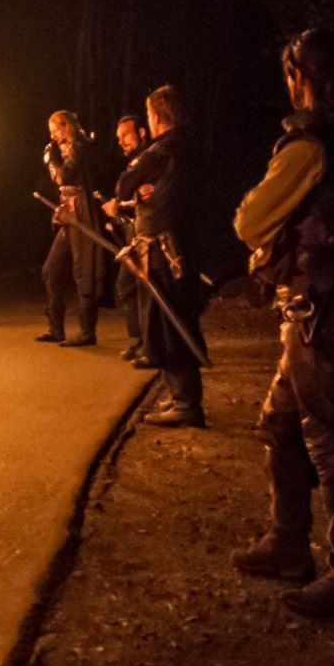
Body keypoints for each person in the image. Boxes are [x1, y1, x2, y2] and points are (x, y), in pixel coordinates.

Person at [230, 30, 334, 619]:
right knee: (279, 423)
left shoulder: (313, 145)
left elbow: (250, 220)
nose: (287, 85)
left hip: (317, 309)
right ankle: (289, 543)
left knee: (328, 439)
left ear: (305, 77)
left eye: (292, 75)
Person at [119, 87, 208, 427]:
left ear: (157, 117)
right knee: (175, 317)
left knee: (171, 320)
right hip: (183, 245)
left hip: (166, 250)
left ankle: (186, 402)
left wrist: (143, 187)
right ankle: (181, 397)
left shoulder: (164, 149)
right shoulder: (192, 147)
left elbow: (124, 183)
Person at [37, 110, 101, 346]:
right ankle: (56, 329)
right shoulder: (65, 149)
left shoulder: (80, 147)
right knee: (50, 270)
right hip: (68, 217)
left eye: (55, 130)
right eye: (51, 132)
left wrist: (50, 160)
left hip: (82, 216)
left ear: (67, 127)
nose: (53, 137)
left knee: (83, 272)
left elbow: (65, 177)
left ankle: (87, 332)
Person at [104, 115, 152, 363]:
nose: (121, 141)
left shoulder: (149, 159)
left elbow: (144, 196)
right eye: (118, 137)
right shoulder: (135, 162)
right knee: (126, 287)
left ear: (141, 132)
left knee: (144, 290)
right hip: (132, 233)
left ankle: (149, 345)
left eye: (125, 134)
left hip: (145, 234)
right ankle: (139, 341)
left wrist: (118, 206)